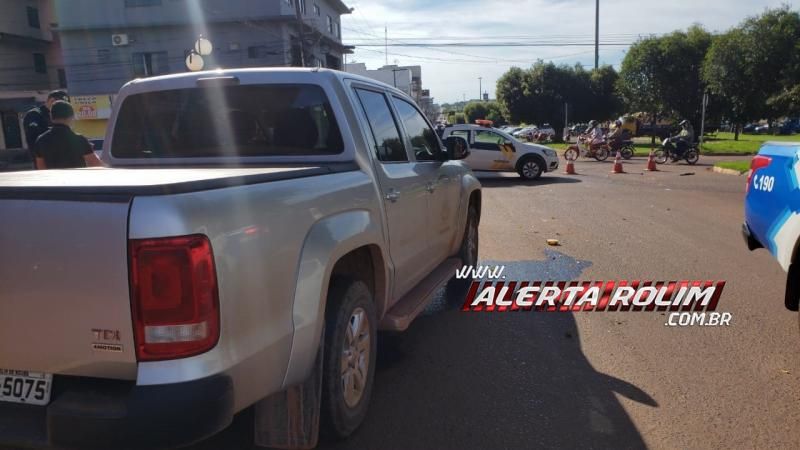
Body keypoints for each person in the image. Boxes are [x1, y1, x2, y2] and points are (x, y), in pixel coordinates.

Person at [33, 101, 104, 169]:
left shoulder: (41, 140)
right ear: (72, 116)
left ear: (51, 116)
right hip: (76, 180)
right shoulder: (78, 139)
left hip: (53, 180)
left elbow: (41, 168)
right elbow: (95, 164)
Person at [23, 90, 69, 154]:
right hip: (43, 155)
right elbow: (33, 134)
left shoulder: (55, 115)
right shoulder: (34, 114)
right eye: (60, 104)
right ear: (52, 101)